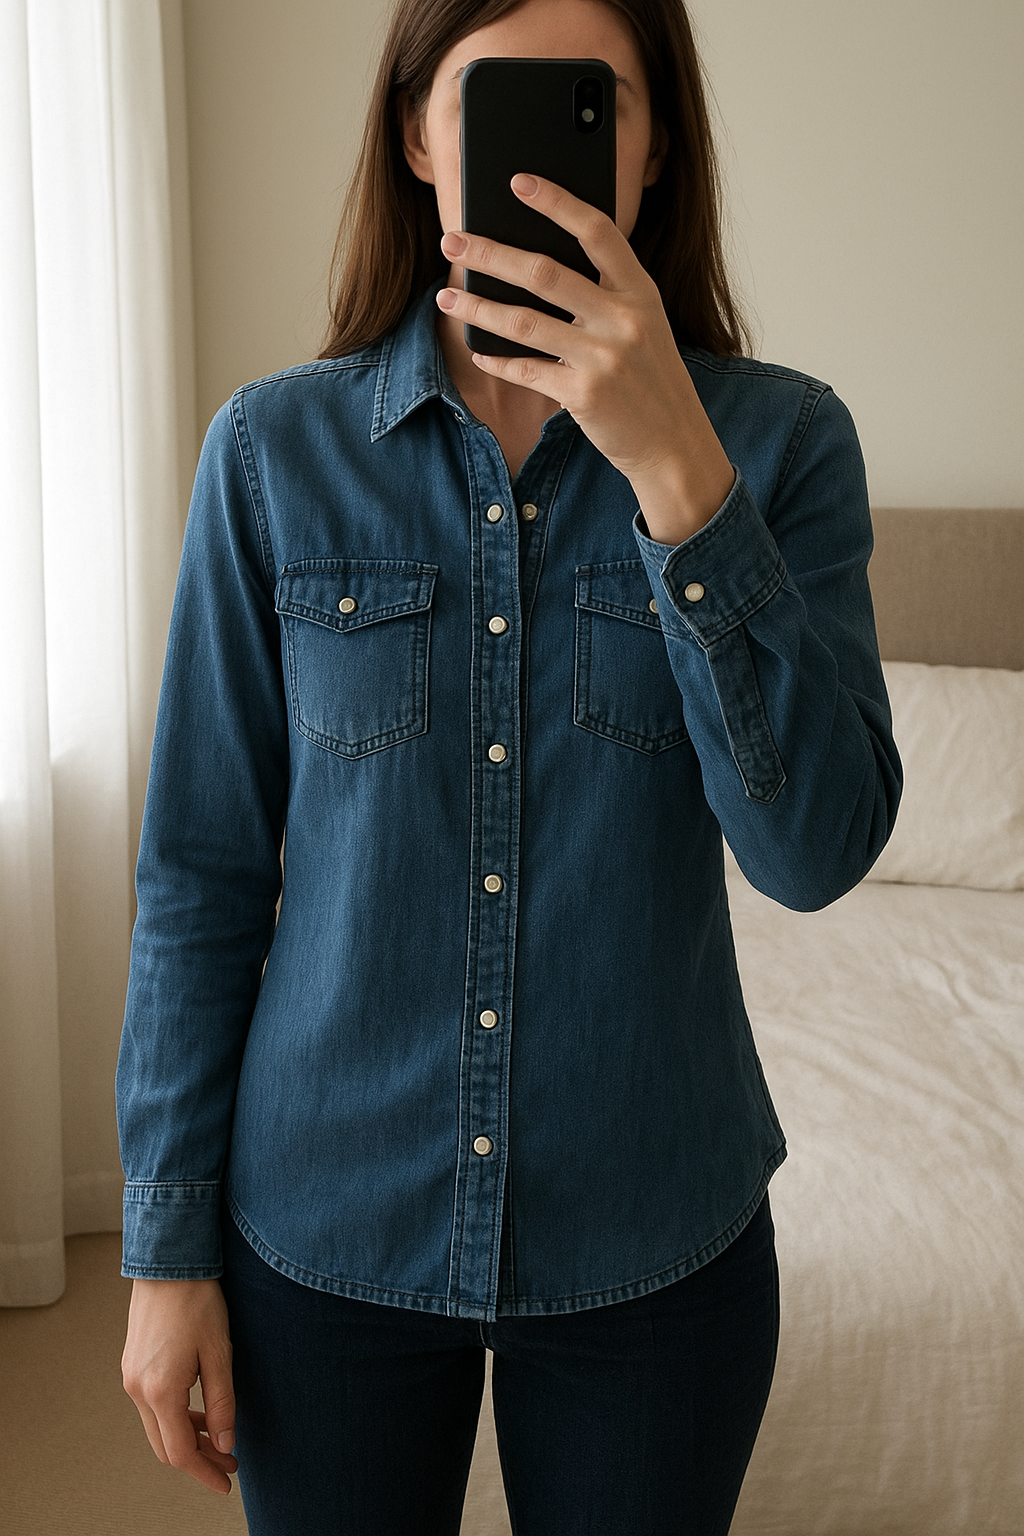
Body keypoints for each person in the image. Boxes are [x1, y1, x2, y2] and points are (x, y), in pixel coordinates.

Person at [117, 0, 901, 1531]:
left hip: (653, 1239)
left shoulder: (784, 447)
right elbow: (200, 875)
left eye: (589, 104)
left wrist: (678, 474)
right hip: (326, 1226)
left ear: (656, 142)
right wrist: (163, 1250)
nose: (542, 156)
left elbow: (814, 853)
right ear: (417, 136)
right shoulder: (274, 455)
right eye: (492, 100)